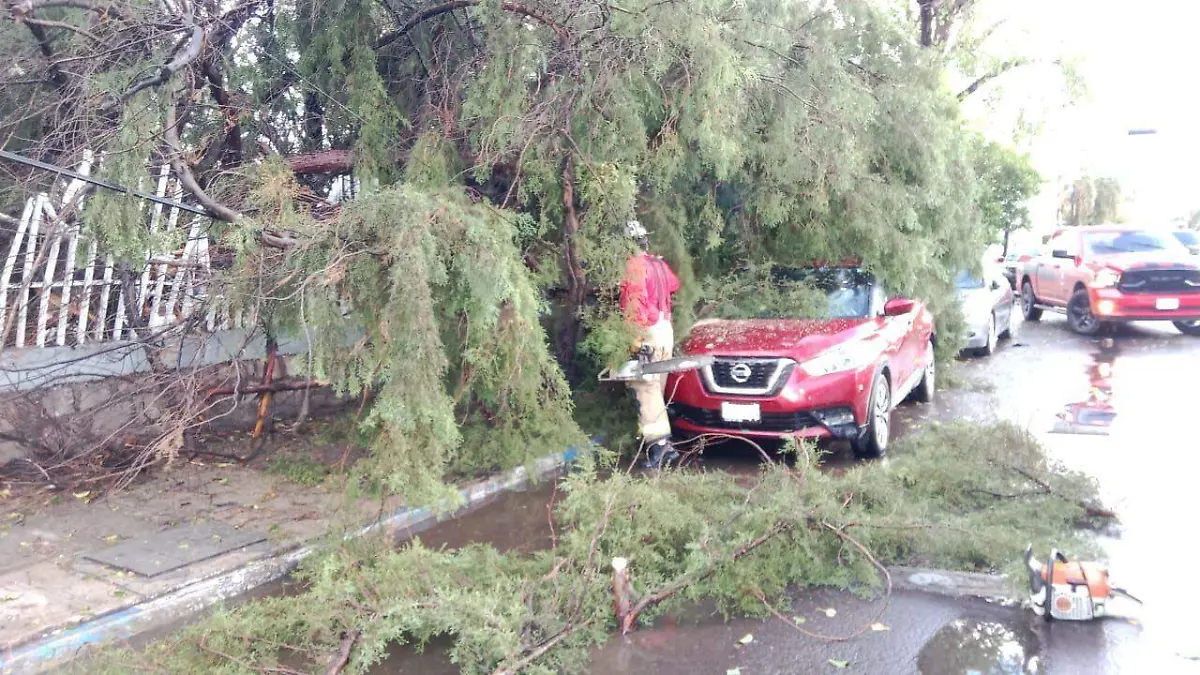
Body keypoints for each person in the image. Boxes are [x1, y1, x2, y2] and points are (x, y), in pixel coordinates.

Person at [619, 220, 681, 468]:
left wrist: (636, 338)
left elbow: (634, 304)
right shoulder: (657, 263)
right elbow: (674, 285)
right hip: (666, 330)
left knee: (646, 389)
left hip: (649, 331)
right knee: (657, 389)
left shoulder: (633, 266)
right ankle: (665, 445)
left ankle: (659, 447)